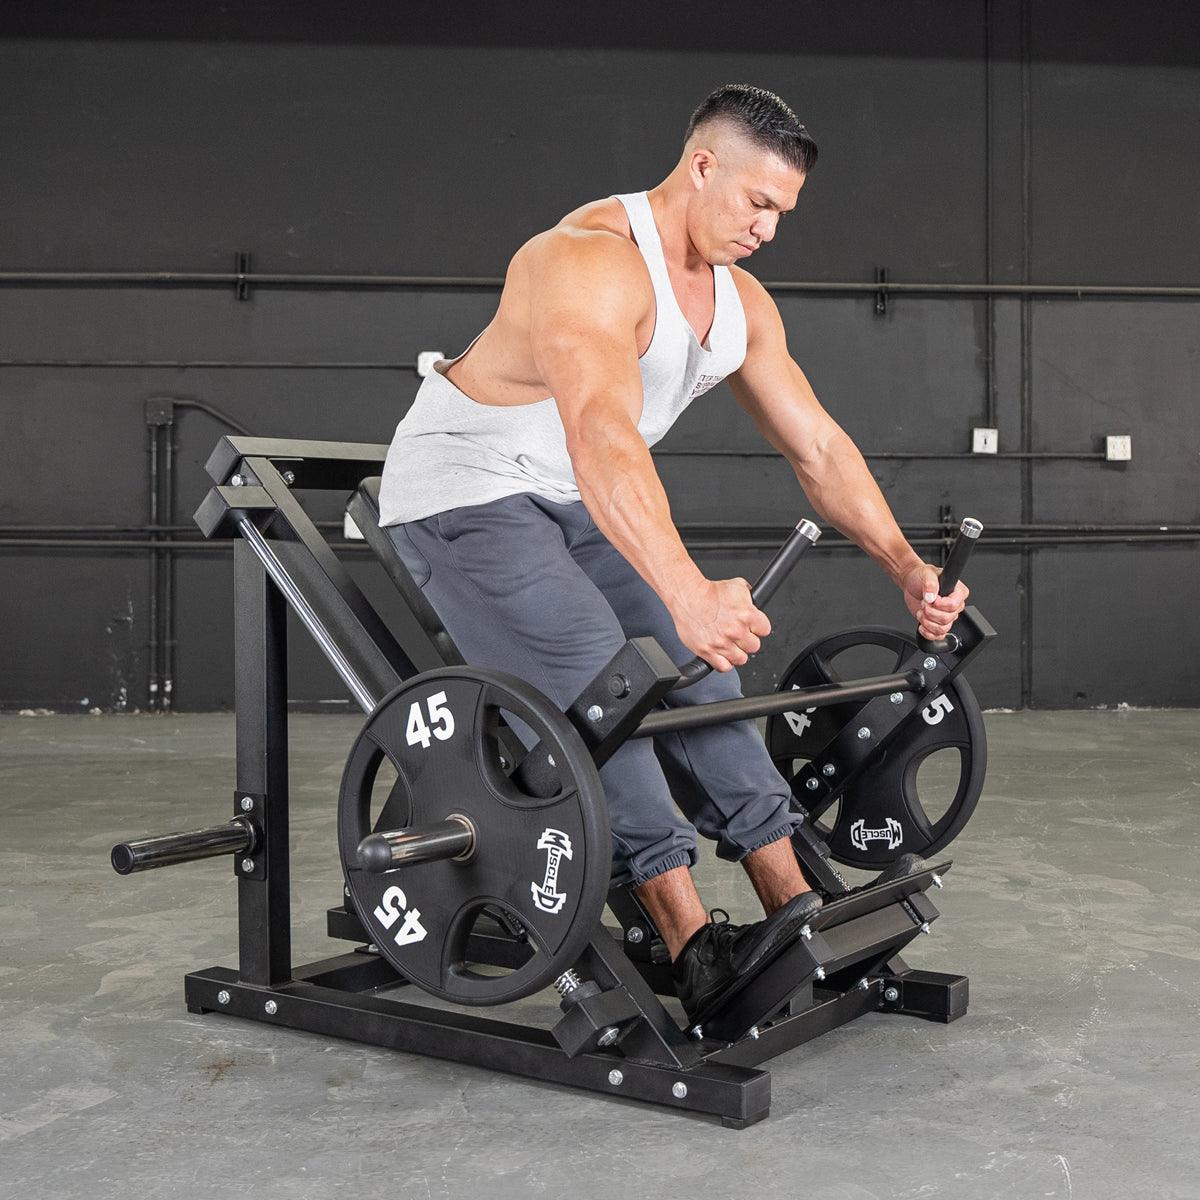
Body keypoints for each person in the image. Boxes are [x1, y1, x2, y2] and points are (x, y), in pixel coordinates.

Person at [378, 83, 968, 1027]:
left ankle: (796, 903)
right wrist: (686, 586)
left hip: (573, 500)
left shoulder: (739, 303)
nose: (769, 229)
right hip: (466, 493)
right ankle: (695, 947)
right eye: (757, 204)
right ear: (701, 167)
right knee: (596, 677)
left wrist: (903, 563)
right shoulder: (586, 261)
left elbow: (817, 447)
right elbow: (602, 434)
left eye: (783, 213)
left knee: (701, 672)